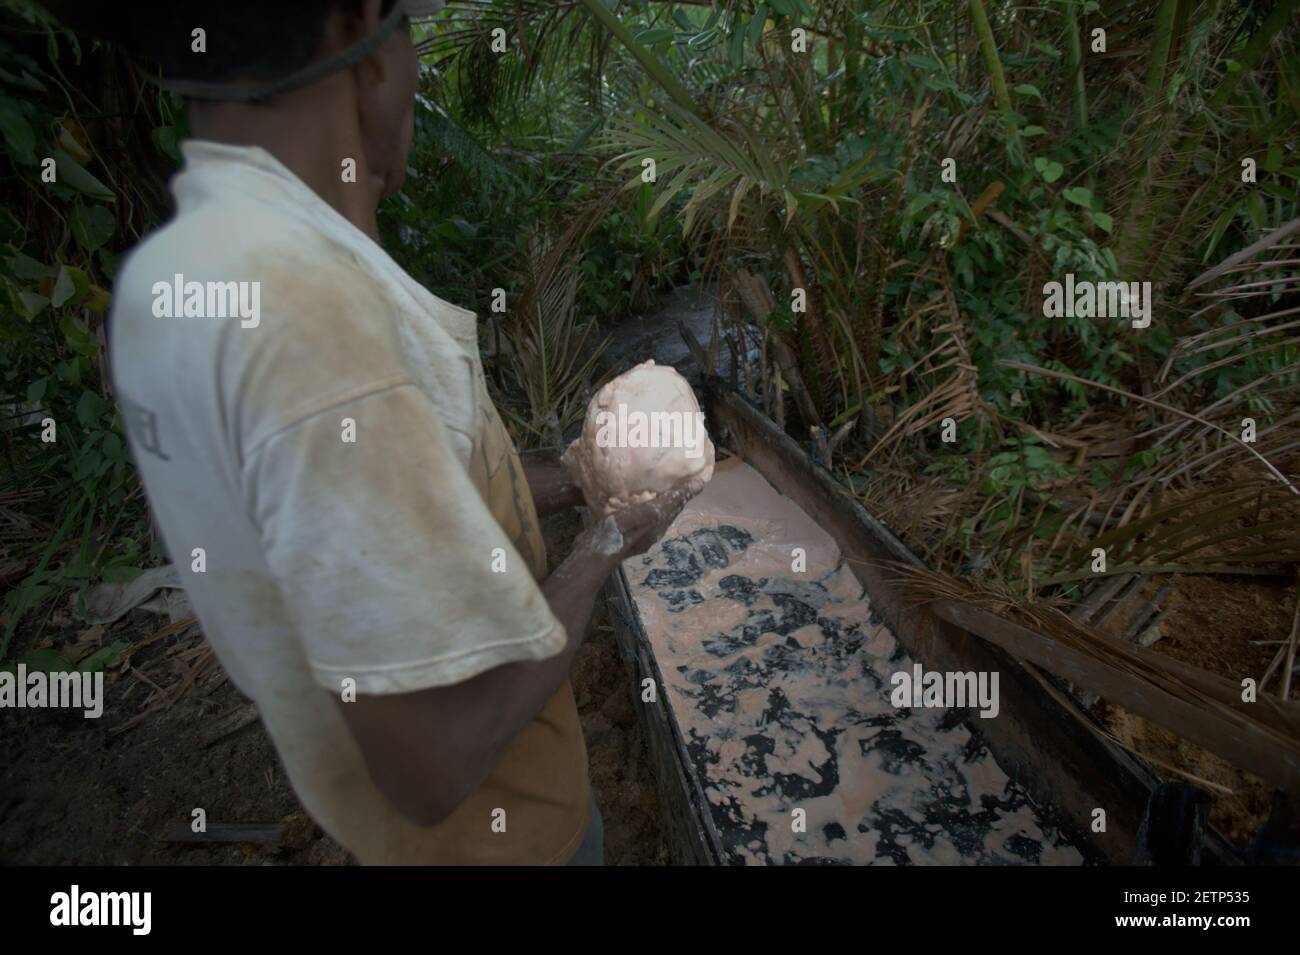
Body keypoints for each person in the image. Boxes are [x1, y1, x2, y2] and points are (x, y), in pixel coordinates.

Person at [48, 0, 698, 865]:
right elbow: (435, 761)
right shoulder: (310, 320)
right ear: (367, 39)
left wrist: (581, 474)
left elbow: (399, 512)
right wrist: (604, 548)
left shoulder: (177, 274)